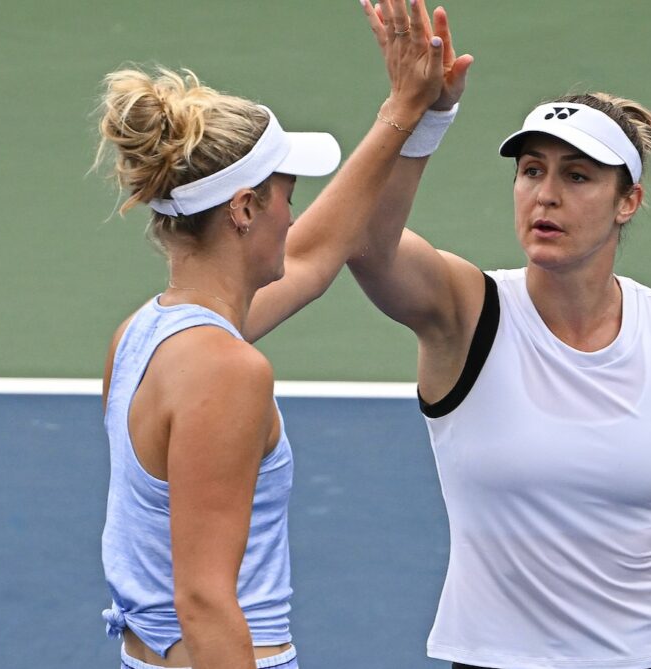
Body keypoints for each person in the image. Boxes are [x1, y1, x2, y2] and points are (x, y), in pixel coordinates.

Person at [341, 9, 651, 666]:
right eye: (532, 170)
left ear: (627, 201)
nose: (545, 196)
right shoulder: (467, 313)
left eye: (577, 176)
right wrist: (421, 117)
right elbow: (369, 247)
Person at [93, 2, 456, 666]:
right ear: (244, 209)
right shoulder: (226, 370)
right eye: (288, 194)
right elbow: (204, 600)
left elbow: (319, 255)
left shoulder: (146, 336)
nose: (294, 216)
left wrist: (414, 113)